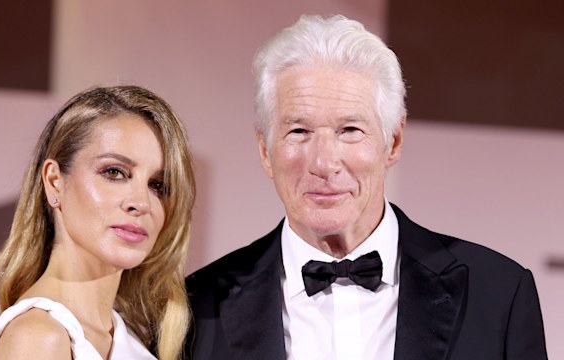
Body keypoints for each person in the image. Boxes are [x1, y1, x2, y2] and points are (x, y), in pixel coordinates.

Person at [185, 14, 547, 360]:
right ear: (265, 150)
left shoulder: (498, 294)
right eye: (299, 131)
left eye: (350, 131)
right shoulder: (195, 308)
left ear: (394, 140)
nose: (324, 163)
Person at [0, 86, 195, 360]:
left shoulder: (124, 337)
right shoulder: (39, 338)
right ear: (55, 183)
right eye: (114, 172)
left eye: (158, 185)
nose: (141, 203)